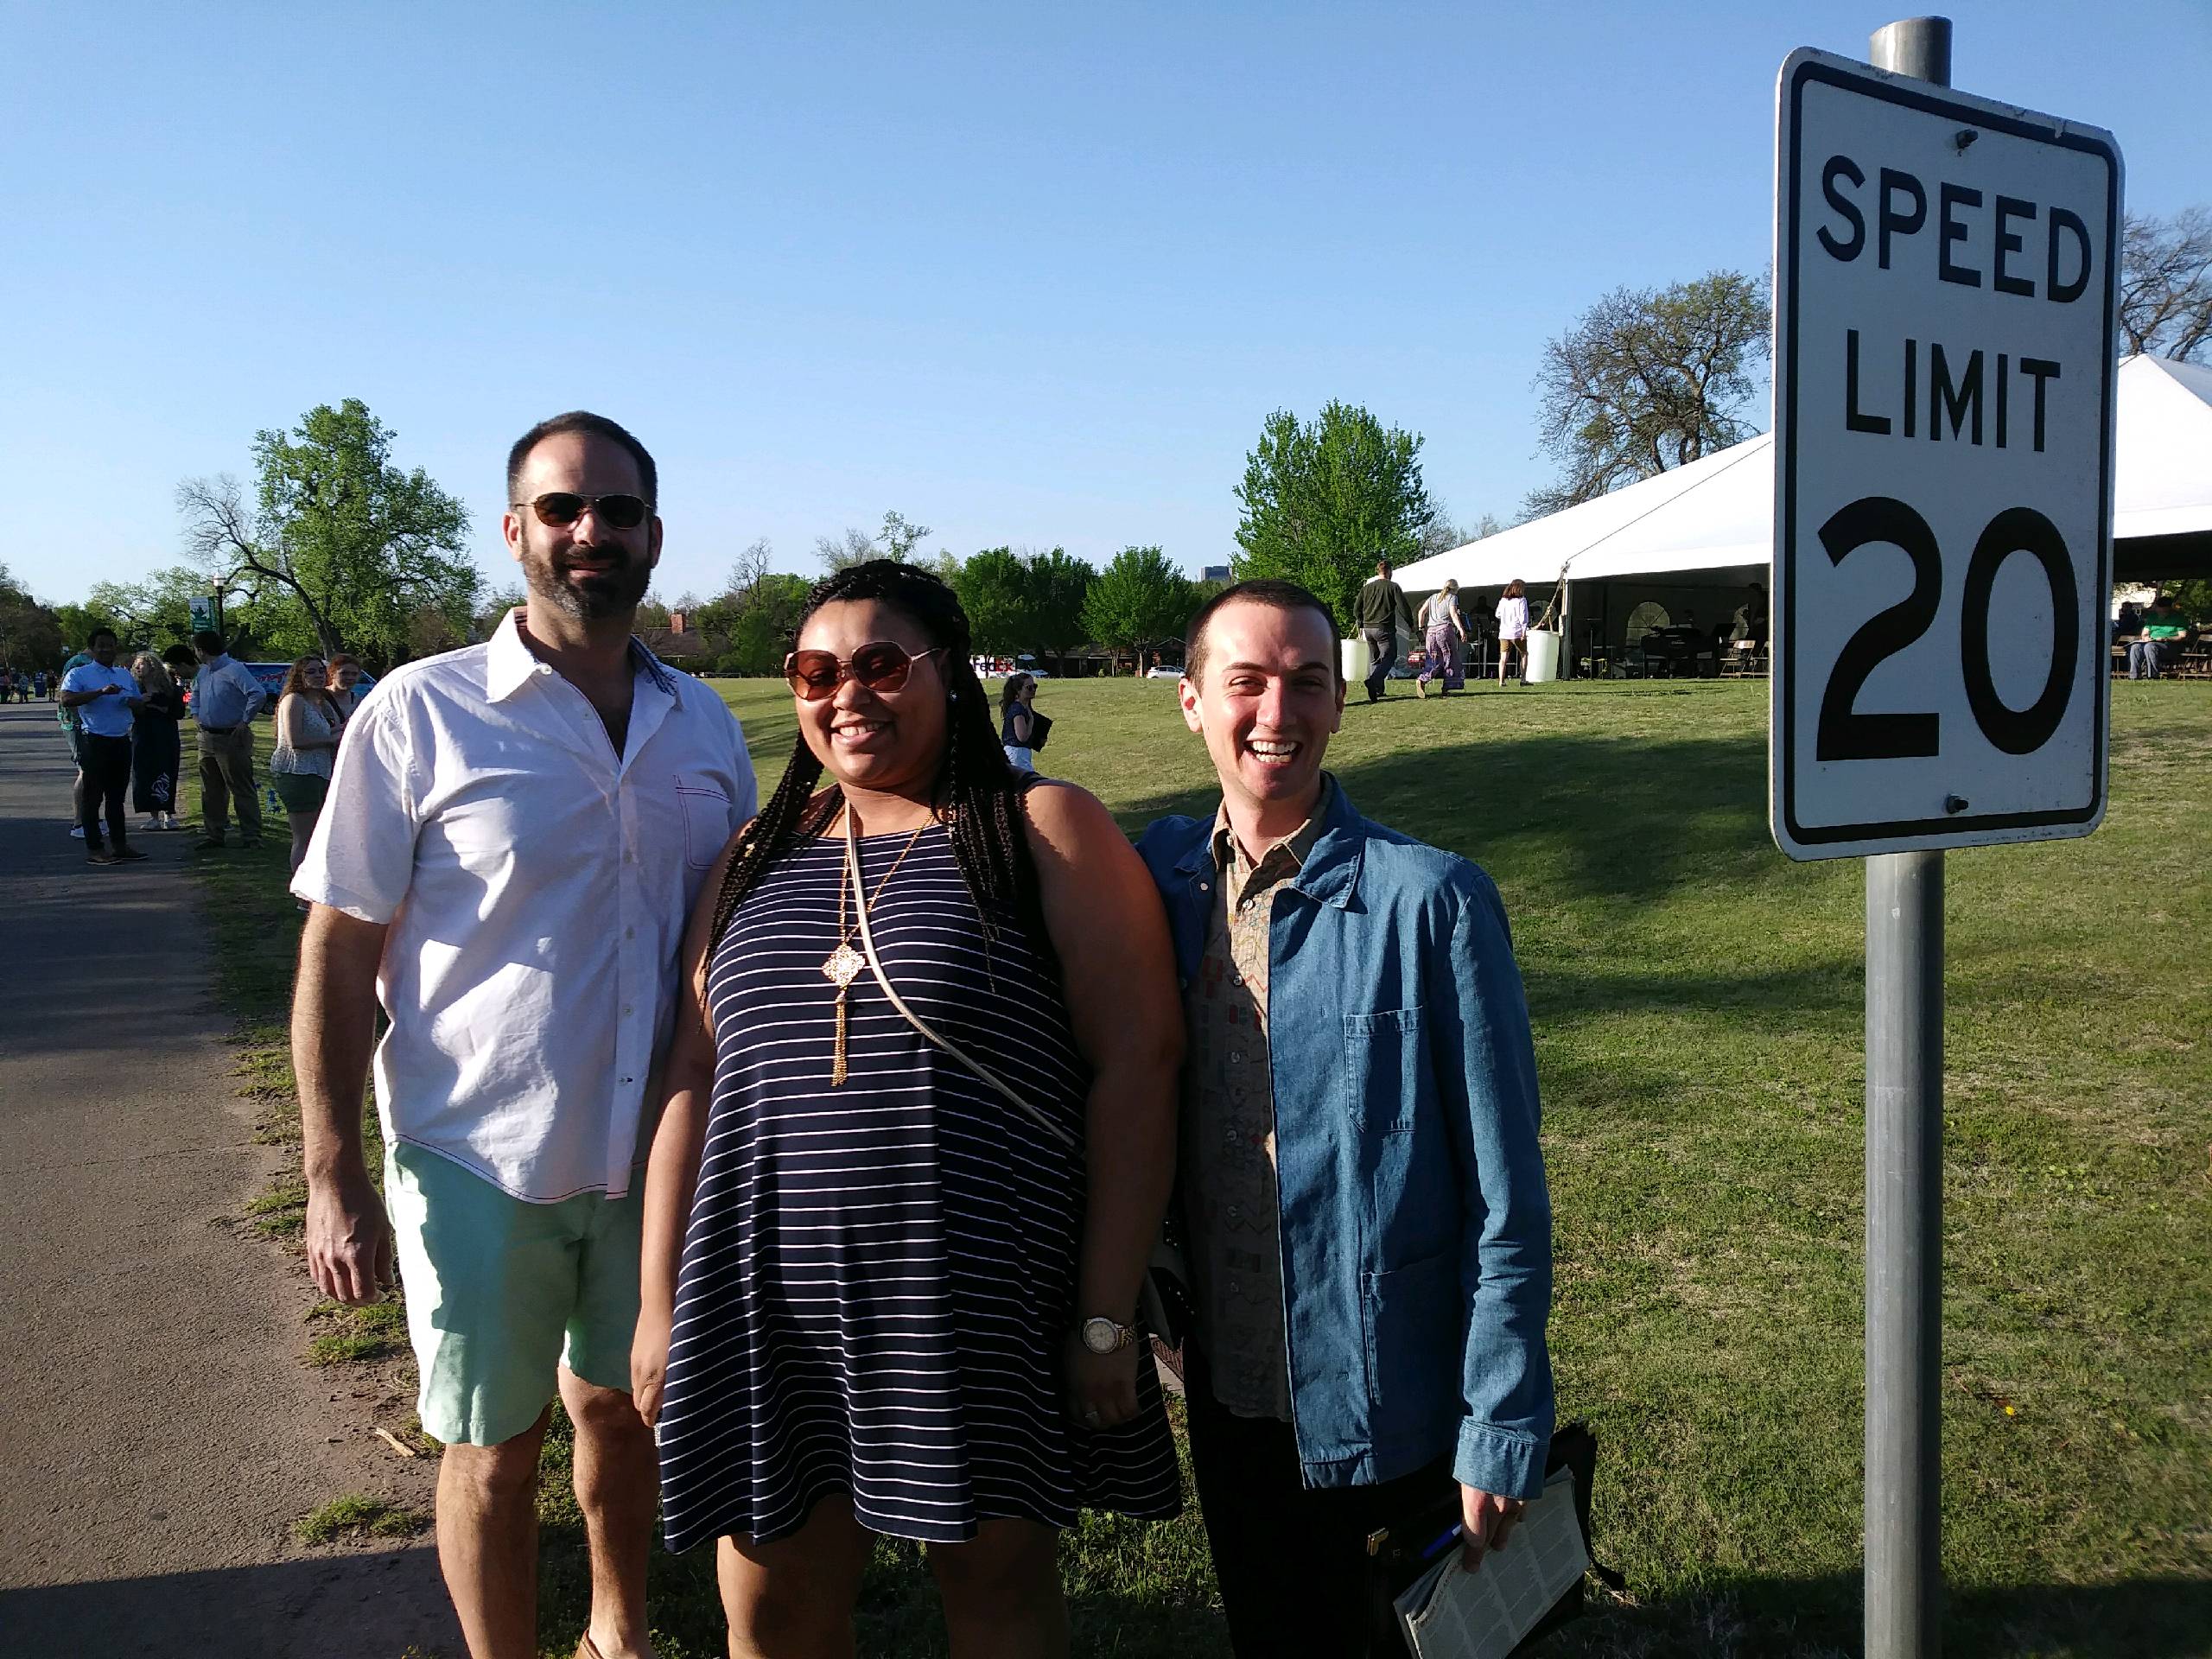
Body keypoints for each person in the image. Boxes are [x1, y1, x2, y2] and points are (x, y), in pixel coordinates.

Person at [633, 561, 1183, 1658]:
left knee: (996, 1600)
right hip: (763, 1300)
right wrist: (657, 1303)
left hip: (965, 1294)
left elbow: (1140, 1066)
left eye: (883, 665)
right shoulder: (752, 855)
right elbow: (692, 1073)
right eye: (816, 671)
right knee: (773, 1607)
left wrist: (1105, 1314)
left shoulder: (1037, 828)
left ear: (952, 678)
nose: (848, 694)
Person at [290, 410, 757, 1659]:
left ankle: (618, 1633)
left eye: (615, 509)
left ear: (654, 534)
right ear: (515, 533)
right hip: (475, 1154)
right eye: (561, 509)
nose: (588, 531)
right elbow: (338, 947)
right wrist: (331, 1167)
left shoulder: (705, 726)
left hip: (653, 1154)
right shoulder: (419, 714)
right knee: (492, 1448)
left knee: (622, 1412)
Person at [1139, 579, 1553, 1658]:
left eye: (1307, 683)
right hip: (1231, 1401)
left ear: (1337, 702)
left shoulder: (1431, 900)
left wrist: (1499, 1421)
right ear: (1191, 703)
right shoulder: (1155, 883)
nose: (1277, 712)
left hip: (1391, 1403)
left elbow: (1507, 1193)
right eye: (1246, 682)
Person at [59, 629, 149, 866]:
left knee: (117, 798)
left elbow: (138, 704)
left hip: (121, 739)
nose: (107, 649)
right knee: (92, 798)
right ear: (92, 648)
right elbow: (66, 700)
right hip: (94, 740)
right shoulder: (80, 673)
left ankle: (120, 845)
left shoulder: (123, 675)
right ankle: (95, 848)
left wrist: (134, 703)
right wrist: (100, 692)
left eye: (111, 645)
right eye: (101, 645)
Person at [270, 654, 347, 887]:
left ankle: (314, 885)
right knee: (303, 837)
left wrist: (344, 729)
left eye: (320, 672)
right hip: (297, 772)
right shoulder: (293, 700)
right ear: (299, 676)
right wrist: (331, 740)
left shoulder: (318, 703)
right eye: (310, 672)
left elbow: (325, 734)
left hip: (317, 772)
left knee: (317, 834)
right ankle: (302, 890)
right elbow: (296, 740)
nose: (317, 676)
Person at [190, 630, 269, 849]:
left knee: (241, 786)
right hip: (207, 735)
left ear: (201, 650)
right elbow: (194, 695)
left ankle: (251, 836)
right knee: (210, 788)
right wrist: (196, 715)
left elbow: (257, 693)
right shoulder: (204, 672)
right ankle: (214, 834)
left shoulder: (234, 669)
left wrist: (245, 721)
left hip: (230, 736)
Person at [129, 652, 187, 831]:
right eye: (136, 665)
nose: (138, 668)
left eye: (141, 664)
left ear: (152, 666)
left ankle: (169, 814)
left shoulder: (170, 688)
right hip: (143, 734)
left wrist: (156, 705)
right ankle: (153, 816)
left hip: (165, 734)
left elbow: (178, 712)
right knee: (145, 771)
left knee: (167, 769)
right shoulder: (134, 689)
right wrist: (140, 703)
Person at [1355, 558, 1416, 703]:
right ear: (1389, 572)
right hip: (1384, 628)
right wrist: (1411, 624)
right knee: (1389, 657)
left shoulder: (1367, 588)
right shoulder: (1393, 587)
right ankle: (1373, 681)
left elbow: (1357, 608)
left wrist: (1361, 621)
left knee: (1375, 659)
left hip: (1368, 629)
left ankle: (1378, 690)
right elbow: (1403, 607)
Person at [1414, 579, 1468, 698]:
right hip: (1444, 630)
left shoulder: (1433, 597)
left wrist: (1421, 627)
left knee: (1433, 658)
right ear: (1455, 589)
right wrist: (1461, 630)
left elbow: (1421, 612)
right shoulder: (1452, 598)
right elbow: (1453, 615)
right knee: (1450, 658)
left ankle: (1422, 679)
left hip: (1431, 631)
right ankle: (1447, 686)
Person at [2131, 594, 2190, 679]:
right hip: (2152, 642)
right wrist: (2146, 637)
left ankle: (2153, 675)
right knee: (2135, 647)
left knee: (2150, 646)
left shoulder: (2178, 618)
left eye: (2164, 609)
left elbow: (2182, 636)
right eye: (2159, 608)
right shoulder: (2152, 617)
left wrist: (2166, 638)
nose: (2161, 611)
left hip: (2170, 645)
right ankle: (2134, 676)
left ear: (2169, 608)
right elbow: (2145, 633)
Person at [1000, 668, 1040, 767]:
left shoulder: (1023, 707)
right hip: (1017, 754)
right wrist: (1031, 720)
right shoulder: (1017, 709)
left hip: (1019, 754)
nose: (1033, 690)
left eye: (1034, 686)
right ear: (1018, 691)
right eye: (1029, 688)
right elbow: (1022, 737)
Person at [1496, 577, 1531, 685]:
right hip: (1517, 632)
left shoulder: (1503, 600)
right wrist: (1524, 633)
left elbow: (1497, 614)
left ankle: (1501, 681)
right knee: (1524, 654)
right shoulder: (1522, 600)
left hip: (1504, 632)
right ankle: (1523, 679)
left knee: (1503, 657)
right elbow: (1523, 618)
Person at [328, 652, 372, 717]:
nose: (349, 678)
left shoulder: (357, 701)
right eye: (344, 673)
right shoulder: (320, 698)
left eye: (354, 674)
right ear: (332, 674)